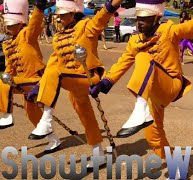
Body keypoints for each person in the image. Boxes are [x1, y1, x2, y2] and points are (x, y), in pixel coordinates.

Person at [89, 0, 193, 178]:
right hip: (150, 92)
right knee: (153, 135)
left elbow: (190, 28)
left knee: (143, 57)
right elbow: (123, 62)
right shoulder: (135, 39)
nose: (139, 23)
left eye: (145, 19)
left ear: (157, 17)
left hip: (170, 84)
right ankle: (176, 164)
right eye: (137, 19)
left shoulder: (168, 30)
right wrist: (104, 83)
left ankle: (140, 109)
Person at [25, 0, 124, 169]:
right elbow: (52, 64)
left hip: (88, 78)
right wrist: (38, 87)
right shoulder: (58, 36)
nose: (60, 19)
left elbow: (102, 17)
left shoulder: (86, 26)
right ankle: (98, 154)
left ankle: (46, 119)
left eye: (64, 15)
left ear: (74, 13)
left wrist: (114, 3)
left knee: (57, 72)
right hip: (71, 82)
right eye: (59, 15)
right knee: (85, 115)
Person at [0, 0, 61, 153]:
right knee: (33, 115)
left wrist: (40, 6)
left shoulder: (28, 34)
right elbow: (10, 69)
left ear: (20, 24)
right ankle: (54, 140)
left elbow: (34, 22)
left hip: (37, 80)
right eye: (7, 25)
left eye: (11, 24)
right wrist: (8, 78)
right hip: (23, 82)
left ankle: (7, 115)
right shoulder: (7, 45)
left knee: (3, 82)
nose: (8, 28)